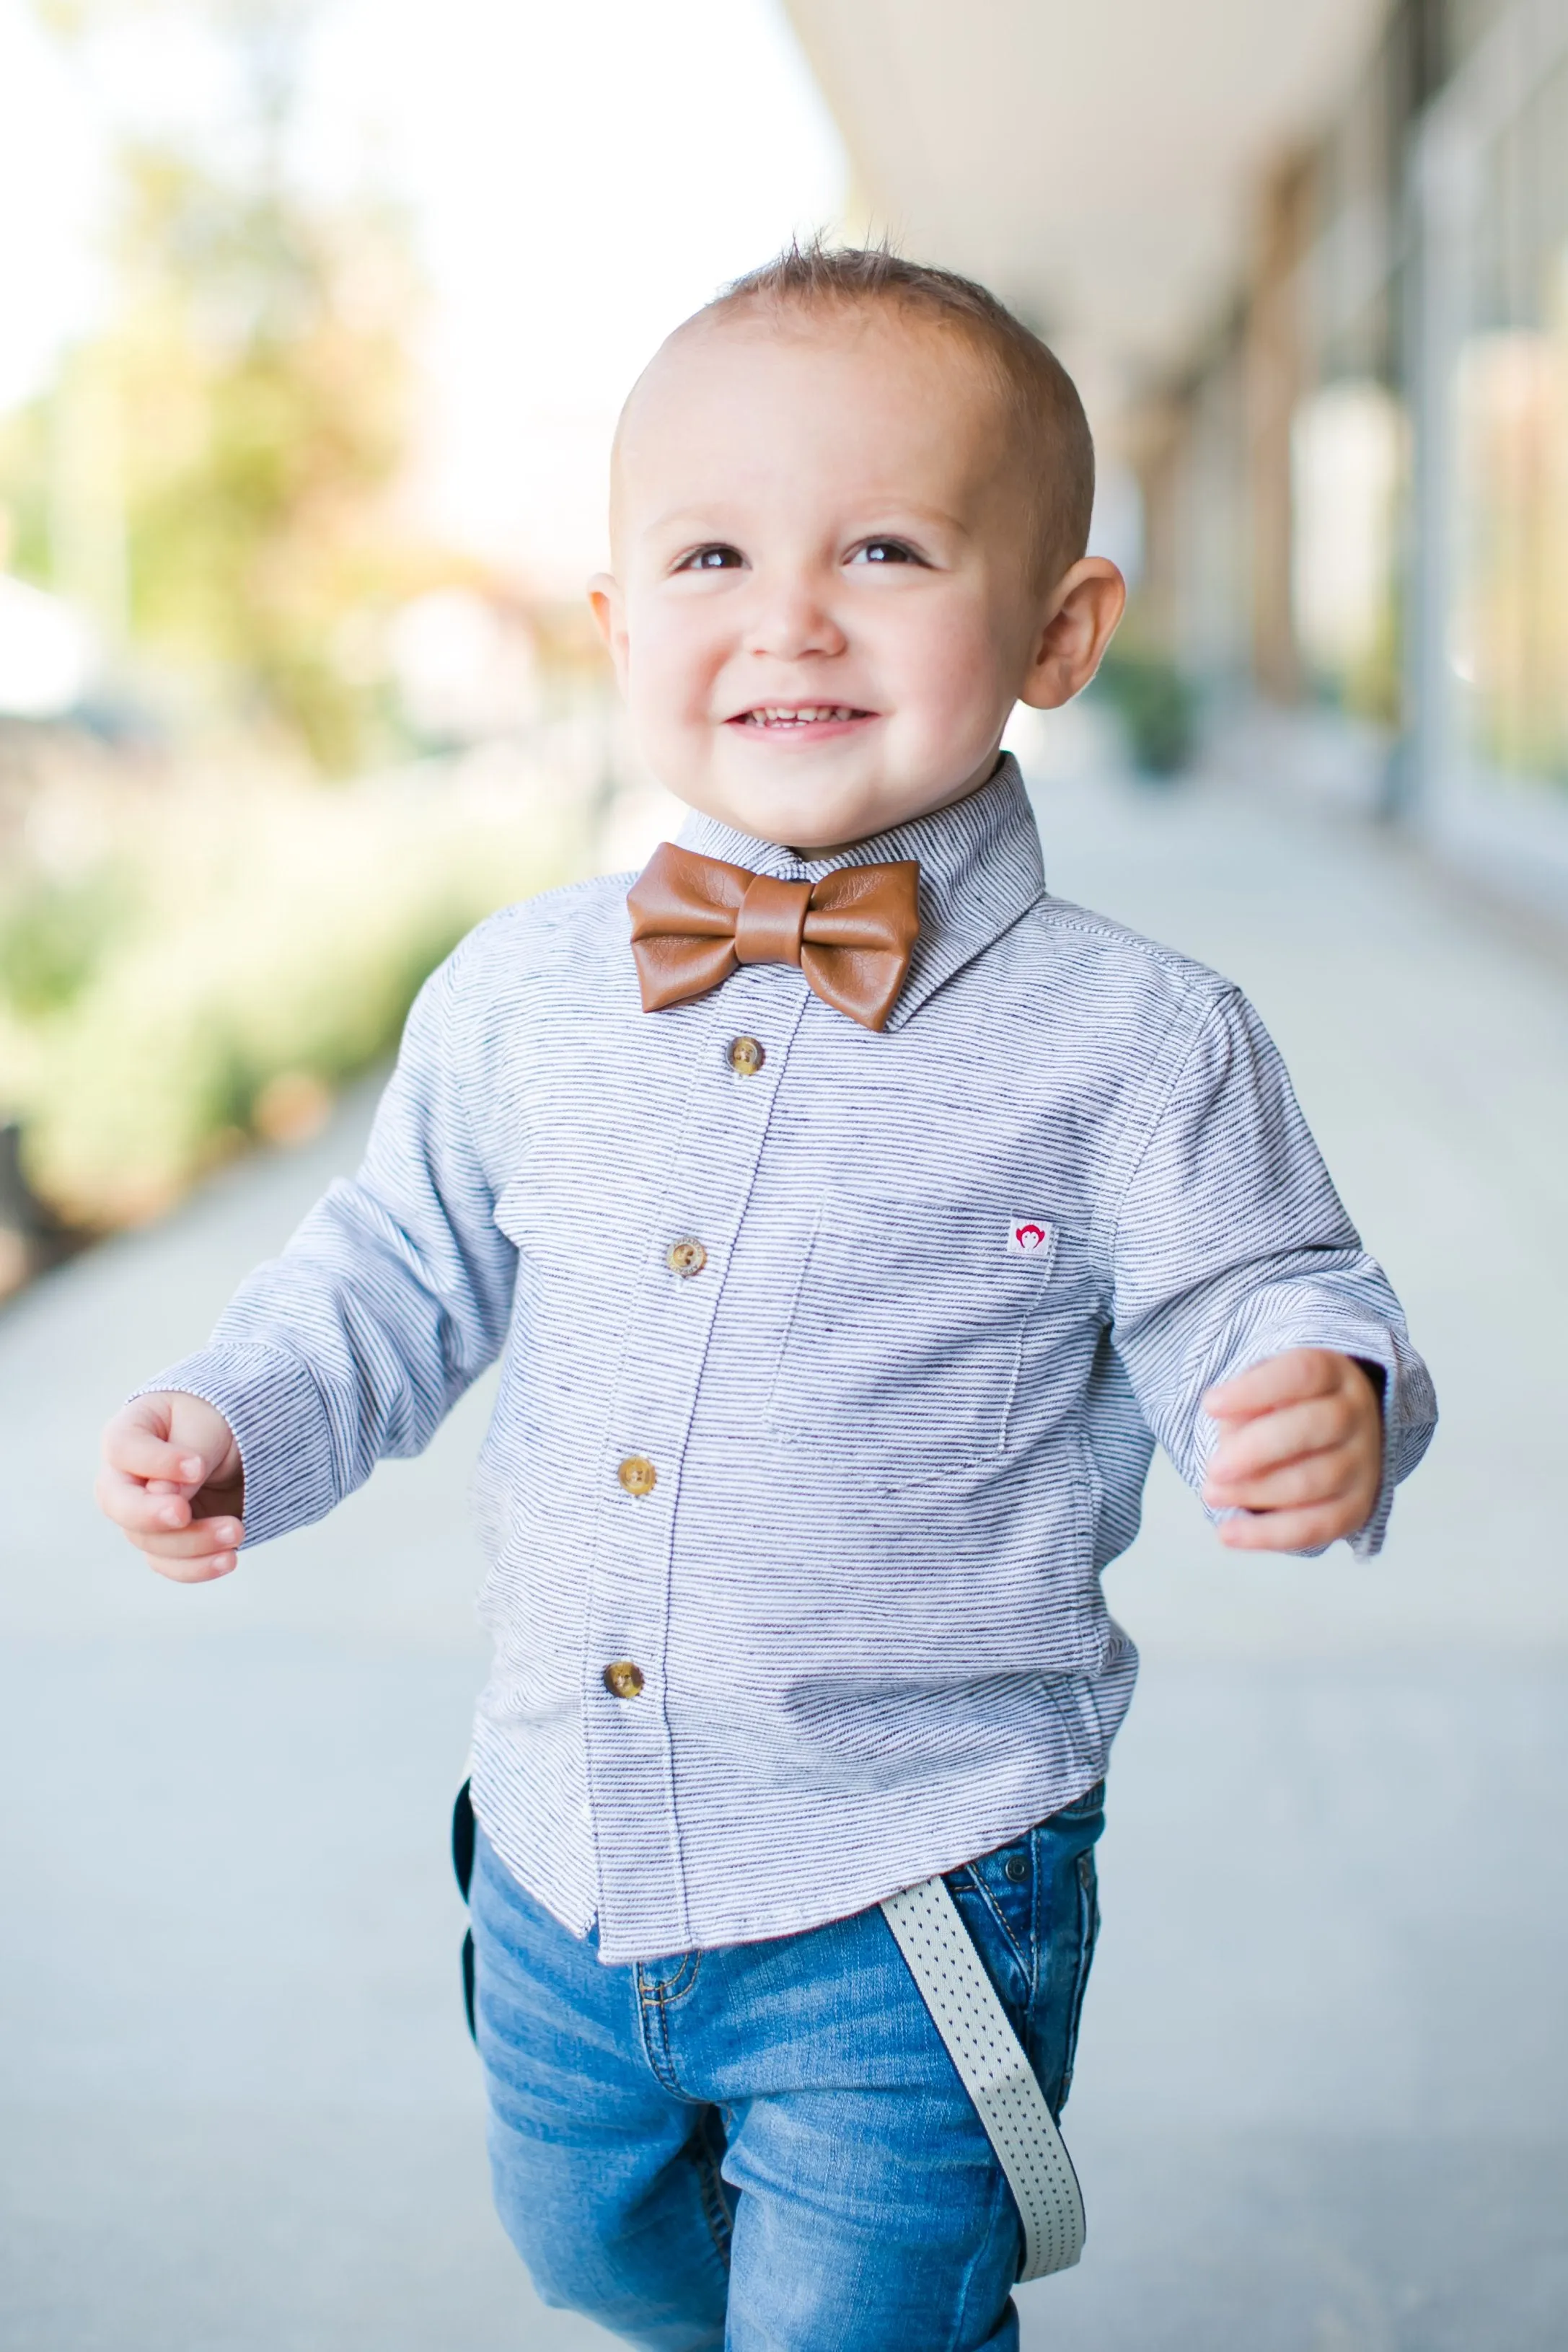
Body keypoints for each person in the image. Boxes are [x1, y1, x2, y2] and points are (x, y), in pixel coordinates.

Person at [96, 244, 1436, 2350]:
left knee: (860, 2325)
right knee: (596, 2252)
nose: (788, 613)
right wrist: (244, 1407)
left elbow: (1265, 1282)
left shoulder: (1130, 1041)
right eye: (712, 552)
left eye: (885, 547)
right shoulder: (520, 995)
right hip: (557, 1842)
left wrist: (1310, 1383)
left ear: (1059, 630)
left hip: (911, 1884)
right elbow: (395, 1258)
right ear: (624, 627)